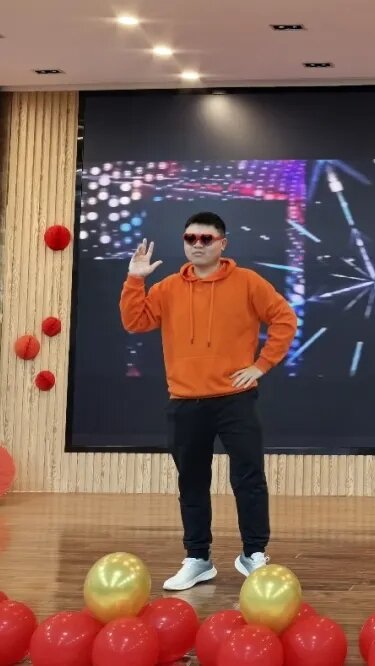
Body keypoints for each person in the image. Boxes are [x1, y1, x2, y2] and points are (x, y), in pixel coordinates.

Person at [120, 211, 298, 590]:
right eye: (190, 238)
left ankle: (254, 554)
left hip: (236, 400)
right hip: (185, 401)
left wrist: (261, 365)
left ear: (222, 243)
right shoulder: (167, 288)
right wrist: (135, 278)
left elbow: (284, 319)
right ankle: (198, 558)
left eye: (206, 239)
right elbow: (135, 321)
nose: (197, 245)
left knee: (249, 478)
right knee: (192, 483)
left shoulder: (247, 282)